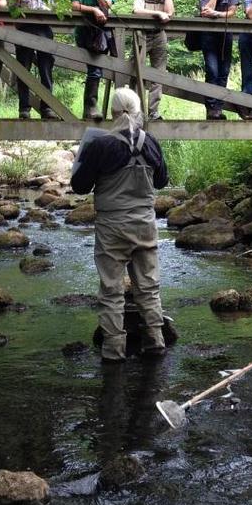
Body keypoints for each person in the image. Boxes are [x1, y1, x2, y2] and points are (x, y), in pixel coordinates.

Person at [71, 87, 169, 363]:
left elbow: (79, 186)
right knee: (149, 288)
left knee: (112, 291)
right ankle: (156, 343)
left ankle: (114, 351)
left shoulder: (100, 145)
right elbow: (162, 181)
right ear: (138, 112)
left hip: (112, 227)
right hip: (145, 225)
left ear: (113, 113)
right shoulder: (151, 143)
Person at [71, 0, 117, 121]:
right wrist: (93, 9)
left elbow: (107, 6)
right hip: (83, 32)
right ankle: (90, 108)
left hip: (100, 34)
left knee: (96, 70)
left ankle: (91, 108)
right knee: (94, 70)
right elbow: (75, 6)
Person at [11, 0, 58, 119]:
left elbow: (54, 8)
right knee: (23, 68)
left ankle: (47, 107)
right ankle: (24, 108)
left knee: (46, 68)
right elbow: (12, 10)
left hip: (44, 28)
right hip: (25, 28)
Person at [197, 0, 239, 120]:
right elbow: (204, 12)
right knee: (212, 70)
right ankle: (210, 107)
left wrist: (215, 13)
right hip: (208, 36)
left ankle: (218, 109)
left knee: (223, 72)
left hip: (226, 35)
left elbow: (233, 12)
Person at [131, 0, 174, 120]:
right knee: (136, 71)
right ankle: (135, 111)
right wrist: (156, 13)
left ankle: (153, 112)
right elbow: (136, 10)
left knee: (159, 73)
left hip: (158, 34)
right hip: (141, 33)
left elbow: (169, 13)